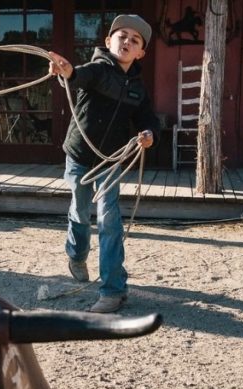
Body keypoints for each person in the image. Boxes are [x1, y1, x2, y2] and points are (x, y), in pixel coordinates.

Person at [48, 14, 160, 313]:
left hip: (110, 161)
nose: (127, 41)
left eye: (135, 40)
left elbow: (147, 119)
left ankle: (113, 290)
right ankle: (76, 252)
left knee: (110, 221)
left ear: (141, 52)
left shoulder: (138, 89)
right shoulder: (97, 70)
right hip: (80, 157)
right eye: (122, 35)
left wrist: (149, 133)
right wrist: (66, 70)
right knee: (81, 211)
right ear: (108, 41)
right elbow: (76, 75)